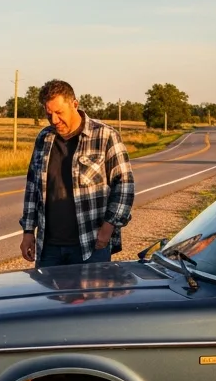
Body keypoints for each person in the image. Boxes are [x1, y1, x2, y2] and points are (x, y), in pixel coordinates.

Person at [19, 79, 134, 267]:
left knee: (90, 297)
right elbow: (32, 187)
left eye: (59, 113)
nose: (54, 120)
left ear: (75, 104)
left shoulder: (105, 136)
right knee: (48, 297)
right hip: (49, 248)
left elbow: (124, 185)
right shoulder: (44, 138)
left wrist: (109, 227)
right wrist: (28, 231)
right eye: (49, 114)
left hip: (91, 244)